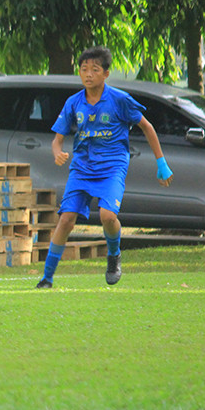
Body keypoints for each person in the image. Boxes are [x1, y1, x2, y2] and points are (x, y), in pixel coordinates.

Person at [36, 46, 173, 289]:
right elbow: (57, 139)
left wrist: (161, 164)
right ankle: (47, 278)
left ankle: (113, 255)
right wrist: (58, 153)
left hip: (112, 167)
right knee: (66, 218)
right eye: (84, 69)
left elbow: (147, 127)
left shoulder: (119, 100)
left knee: (107, 216)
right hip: (82, 167)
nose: (88, 74)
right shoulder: (73, 102)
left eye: (94, 69)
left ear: (106, 73)